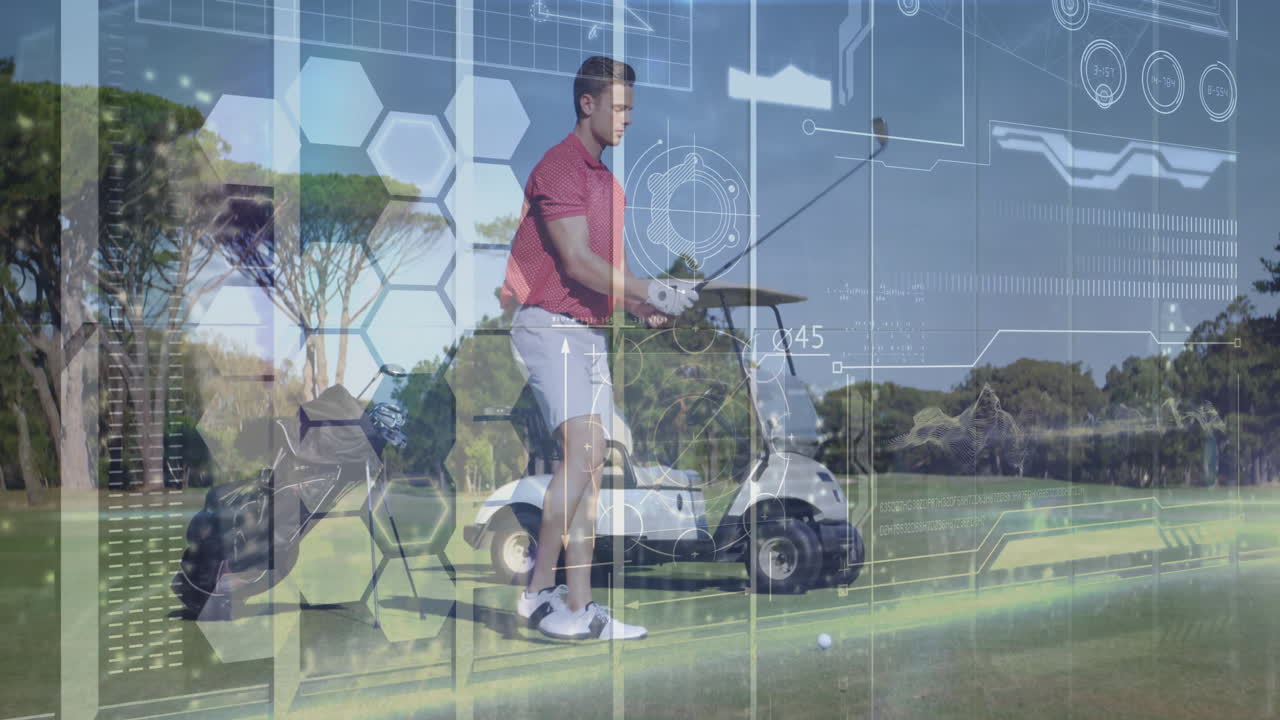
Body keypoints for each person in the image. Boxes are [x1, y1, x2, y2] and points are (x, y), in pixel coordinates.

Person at [500, 56, 700, 640]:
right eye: (619, 107)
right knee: (584, 452)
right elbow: (575, 262)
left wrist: (645, 305)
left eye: (631, 109)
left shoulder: (611, 186)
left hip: (587, 332)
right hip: (547, 325)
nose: (627, 119)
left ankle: (577, 607)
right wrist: (645, 288)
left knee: (589, 471)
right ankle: (537, 591)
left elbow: (610, 275)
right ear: (587, 104)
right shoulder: (558, 166)